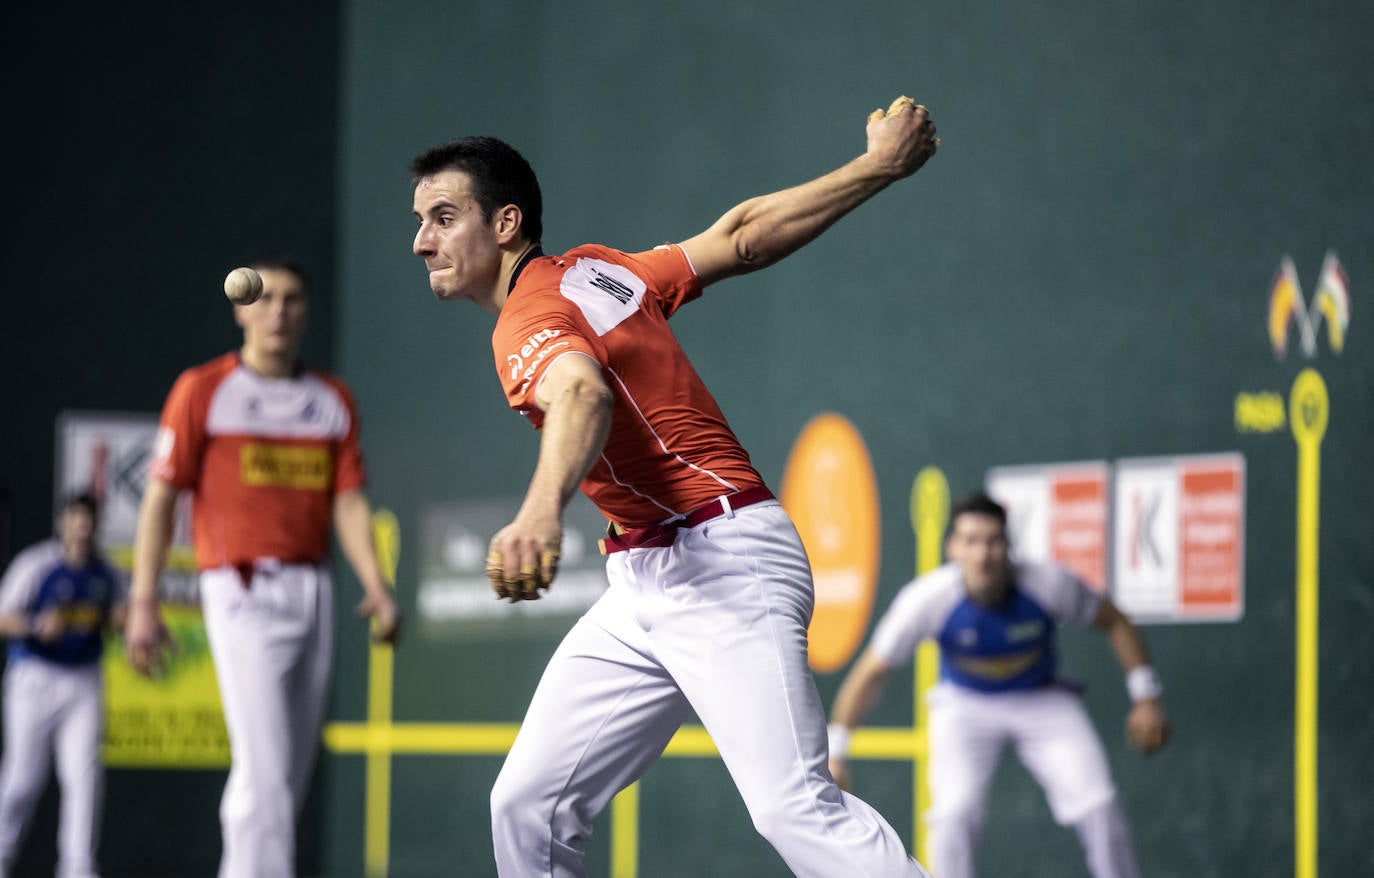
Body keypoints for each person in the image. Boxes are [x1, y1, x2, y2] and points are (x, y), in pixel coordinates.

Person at [410, 96, 938, 877]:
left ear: (506, 224)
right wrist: (876, 167)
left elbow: (581, 394)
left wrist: (537, 513)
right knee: (527, 805)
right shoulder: (596, 271)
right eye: (420, 221)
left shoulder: (527, 318)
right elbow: (740, 239)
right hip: (646, 579)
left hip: (722, 562)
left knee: (793, 807)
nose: (422, 242)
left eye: (444, 217)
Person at [123, 258, 401, 878]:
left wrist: (377, 586)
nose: (279, 310)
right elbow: (162, 496)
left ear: (306, 311)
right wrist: (144, 601)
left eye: (293, 299)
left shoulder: (330, 401)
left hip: (314, 590)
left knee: (281, 776)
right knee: (268, 770)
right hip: (240, 588)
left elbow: (348, 501)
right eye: (267, 297)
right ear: (242, 309)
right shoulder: (203, 389)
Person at [827, 492, 1171, 878]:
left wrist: (1146, 696)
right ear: (952, 549)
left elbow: (1114, 621)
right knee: (953, 814)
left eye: (993, 541)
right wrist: (837, 749)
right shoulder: (927, 600)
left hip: (1042, 699)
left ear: (1008, 546)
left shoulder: (1048, 582)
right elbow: (873, 671)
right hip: (964, 705)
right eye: (971, 541)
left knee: (1099, 804)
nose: (983, 554)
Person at [0, 493, 122, 878]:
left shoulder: (109, 574)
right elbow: (2, 618)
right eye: (75, 520)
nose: (82, 528)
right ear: (62, 523)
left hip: (83, 681)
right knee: (22, 778)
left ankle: (78, 869)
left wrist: (125, 621)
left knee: (84, 780)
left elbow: (123, 616)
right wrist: (36, 625)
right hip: (34, 678)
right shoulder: (37, 564)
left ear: (96, 526)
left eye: (88, 521)